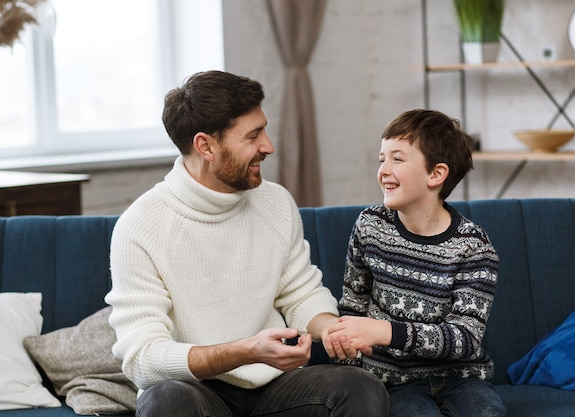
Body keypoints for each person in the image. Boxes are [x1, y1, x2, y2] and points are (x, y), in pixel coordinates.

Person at [105, 70, 388, 417]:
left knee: (360, 388)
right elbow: (142, 360)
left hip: (275, 387)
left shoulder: (275, 202)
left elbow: (300, 294)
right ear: (205, 145)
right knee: (165, 402)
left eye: (264, 130)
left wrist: (332, 329)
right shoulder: (141, 227)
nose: (268, 146)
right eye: (253, 136)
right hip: (197, 391)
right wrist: (246, 351)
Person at [324, 109, 507, 417]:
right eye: (381, 159)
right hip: (393, 381)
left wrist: (385, 331)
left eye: (397, 159)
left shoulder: (473, 247)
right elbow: (352, 306)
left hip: (461, 380)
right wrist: (346, 353)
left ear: (435, 174)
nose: (383, 169)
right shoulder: (370, 226)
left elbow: (465, 339)